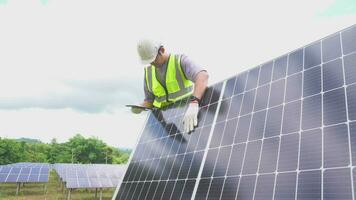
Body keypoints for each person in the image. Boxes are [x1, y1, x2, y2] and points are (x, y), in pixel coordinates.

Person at [131, 39, 209, 133]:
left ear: (162, 50)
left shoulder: (180, 61)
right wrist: (140, 106)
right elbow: (149, 100)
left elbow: (202, 76)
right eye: (149, 61)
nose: (152, 63)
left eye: (153, 59)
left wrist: (194, 102)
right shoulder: (148, 73)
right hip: (167, 126)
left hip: (188, 116)